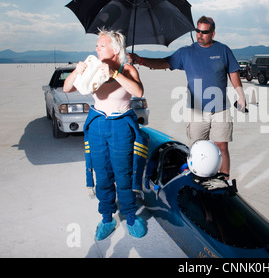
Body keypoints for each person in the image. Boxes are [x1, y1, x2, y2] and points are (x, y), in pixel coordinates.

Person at [129, 16, 246, 179]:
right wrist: (139, 59)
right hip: (196, 111)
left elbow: (233, 72)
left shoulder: (223, 50)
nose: (200, 35)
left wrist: (241, 96)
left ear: (213, 33)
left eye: (204, 32)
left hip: (220, 109)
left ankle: (224, 179)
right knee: (198, 148)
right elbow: (164, 62)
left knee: (221, 147)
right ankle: (198, 180)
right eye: (198, 31)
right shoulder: (186, 52)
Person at [64, 29, 148, 241]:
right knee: (102, 174)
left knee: (123, 173)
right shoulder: (93, 69)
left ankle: (130, 216)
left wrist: (116, 74)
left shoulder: (127, 69)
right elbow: (67, 87)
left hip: (121, 125)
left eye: (101, 44)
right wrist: (77, 71)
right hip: (98, 124)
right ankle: (107, 217)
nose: (97, 48)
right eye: (97, 44)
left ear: (115, 49)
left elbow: (138, 92)